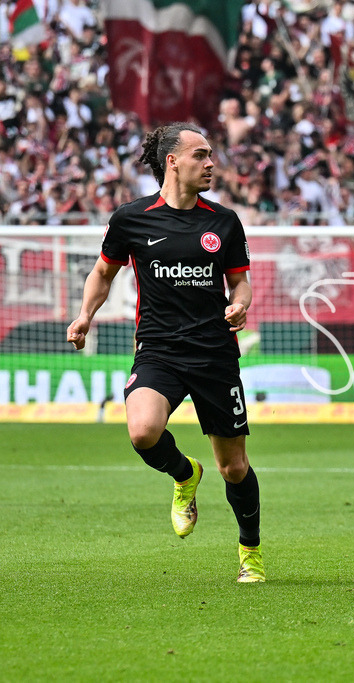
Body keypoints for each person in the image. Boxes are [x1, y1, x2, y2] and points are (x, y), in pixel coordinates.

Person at [66, 123, 265, 583]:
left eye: (210, 155)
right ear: (172, 161)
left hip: (214, 354)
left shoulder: (224, 222)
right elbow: (103, 273)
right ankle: (184, 473)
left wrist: (240, 303)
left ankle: (250, 552)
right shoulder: (131, 219)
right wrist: (84, 316)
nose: (210, 163)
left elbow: (240, 281)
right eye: (201, 154)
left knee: (234, 467)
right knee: (142, 432)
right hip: (158, 349)